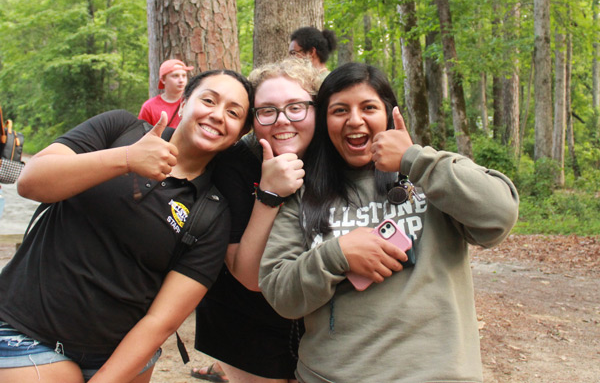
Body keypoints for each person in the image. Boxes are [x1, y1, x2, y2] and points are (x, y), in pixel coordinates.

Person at [259, 62, 520, 383]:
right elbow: (279, 293)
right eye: (339, 110)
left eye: (368, 107)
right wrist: (337, 254)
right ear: (325, 123)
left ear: (388, 114)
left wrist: (415, 158)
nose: (355, 120)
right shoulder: (306, 195)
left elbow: (500, 216)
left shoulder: (433, 174)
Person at [0, 69, 253, 383]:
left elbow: (161, 320)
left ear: (240, 132)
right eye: (209, 100)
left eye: (233, 113)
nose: (218, 115)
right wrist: (128, 158)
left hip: (120, 353)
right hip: (27, 332)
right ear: (184, 103)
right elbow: (31, 182)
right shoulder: (119, 129)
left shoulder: (213, 212)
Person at [193, 58, 322, 383]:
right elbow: (249, 277)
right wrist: (268, 194)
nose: (282, 121)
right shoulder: (234, 164)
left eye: (296, 107)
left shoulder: (329, 159)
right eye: (267, 111)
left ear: (316, 110)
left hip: (315, 321)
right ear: (253, 120)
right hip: (242, 321)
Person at [138, 59, 194, 128]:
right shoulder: (149, 107)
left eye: (184, 75)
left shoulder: (192, 101)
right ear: (163, 80)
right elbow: (141, 134)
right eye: (175, 76)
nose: (181, 80)